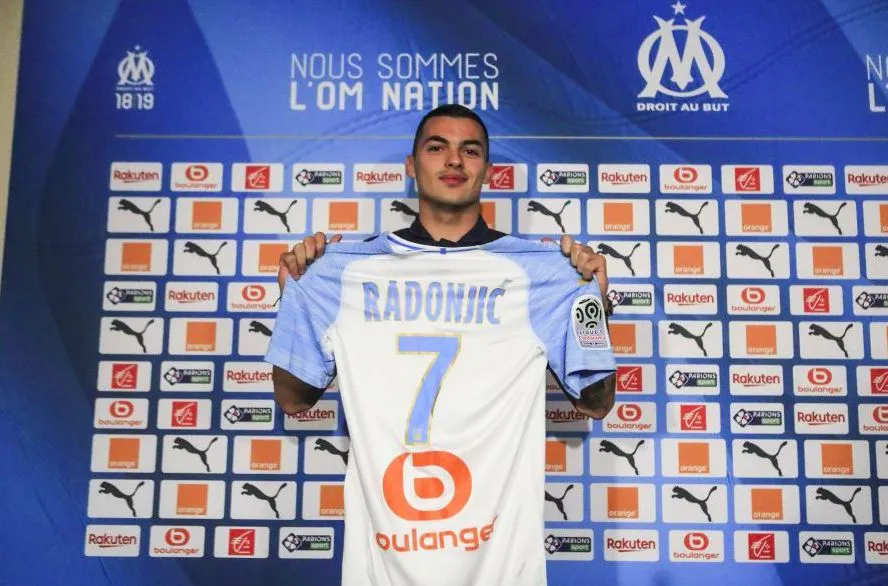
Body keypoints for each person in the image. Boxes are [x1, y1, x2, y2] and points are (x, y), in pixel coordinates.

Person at [266, 104, 617, 586]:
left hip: (501, 570)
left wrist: (592, 307)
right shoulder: (343, 271)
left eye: (469, 151)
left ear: (487, 169)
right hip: (384, 566)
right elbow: (293, 400)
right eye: (437, 147)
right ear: (411, 166)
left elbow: (596, 403)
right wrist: (296, 299)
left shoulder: (542, 274)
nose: (454, 160)